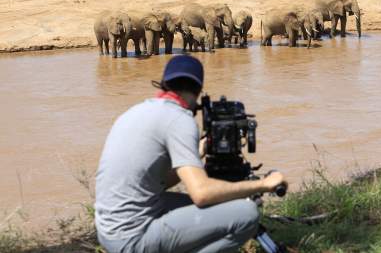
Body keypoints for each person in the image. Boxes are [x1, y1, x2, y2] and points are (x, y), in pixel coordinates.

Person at [95, 55, 287, 253]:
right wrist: (264, 184)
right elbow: (202, 194)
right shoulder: (180, 119)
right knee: (247, 213)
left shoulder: (135, 112)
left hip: (108, 232)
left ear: (164, 84)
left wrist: (195, 153)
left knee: (204, 209)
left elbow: (158, 181)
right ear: (198, 92)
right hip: (132, 239)